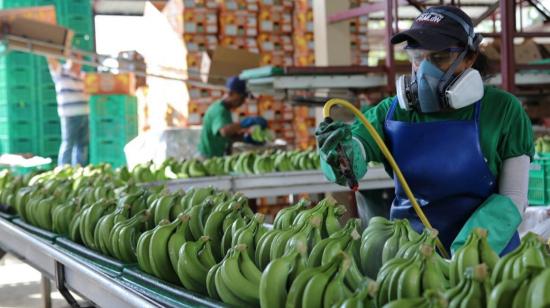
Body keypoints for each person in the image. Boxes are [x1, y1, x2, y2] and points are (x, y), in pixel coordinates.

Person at [316, 6, 534, 256]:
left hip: (489, 257)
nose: (424, 70)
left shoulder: (503, 110)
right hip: (412, 258)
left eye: (440, 57)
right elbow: (355, 153)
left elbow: (514, 198)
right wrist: (340, 154)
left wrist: (468, 252)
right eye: (418, 57)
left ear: (470, 57)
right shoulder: (391, 112)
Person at [198, 76, 267, 158]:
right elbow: (224, 131)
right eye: (241, 98)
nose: (242, 102)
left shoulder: (225, 110)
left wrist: (245, 138)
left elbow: (225, 136)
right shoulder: (220, 110)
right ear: (231, 93)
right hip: (208, 157)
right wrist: (247, 122)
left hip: (216, 156)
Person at [47, 56, 90, 166]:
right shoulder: (61, 72)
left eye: (80, 60)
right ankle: (63, 169)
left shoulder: (83, 76)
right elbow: (50, 59)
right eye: (75, 58)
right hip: (69, 115)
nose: (77, 62)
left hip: (85, 114)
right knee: (68, 143)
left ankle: (80, 168)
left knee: (83, 144)